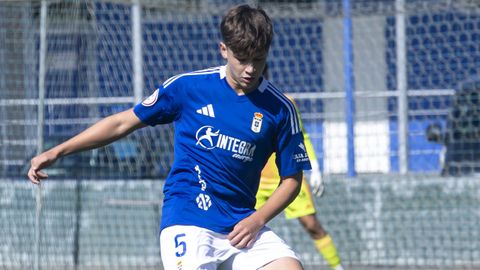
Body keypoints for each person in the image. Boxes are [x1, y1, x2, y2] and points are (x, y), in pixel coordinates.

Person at [28, 4, 311, 270]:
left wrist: (258, 219)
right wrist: (56, 152)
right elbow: (121, 123)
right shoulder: (187, 88)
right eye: (242, 59)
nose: (250, 69)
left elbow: (292, 180)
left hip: (242, 224)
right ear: (224, 50)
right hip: (189, 219)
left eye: (258, 60)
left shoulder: (281, 109)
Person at [256, 67, 344, 270]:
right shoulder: (239, 104)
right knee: (243, 231)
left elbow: (301, 136)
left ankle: (338, 267)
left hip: (288, 179)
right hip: (255, 183)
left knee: (312, 225)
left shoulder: (286, 103)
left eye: (261, 69)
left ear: (267, 73)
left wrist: (316, 169)